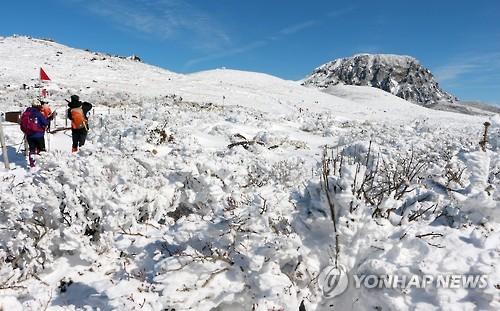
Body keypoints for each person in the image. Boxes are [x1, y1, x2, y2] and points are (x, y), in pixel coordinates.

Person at [22, 99, 49, 167]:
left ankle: (32, 164)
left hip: (29, 135)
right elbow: (45, 122)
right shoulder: (38, 113)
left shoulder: (26, 113)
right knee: (41, 149)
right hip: (38, 134)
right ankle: (42, 164)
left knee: (32, 149)